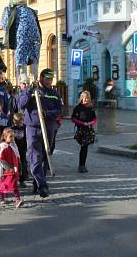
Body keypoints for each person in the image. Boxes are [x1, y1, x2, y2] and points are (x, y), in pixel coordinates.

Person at [18, 68, 63, 198]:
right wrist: (28, 91)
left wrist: (47, 114)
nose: (49, 81)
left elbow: (59, 110)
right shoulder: (32, 91)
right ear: (41, 78)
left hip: (48, 127)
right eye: (47, 79)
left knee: (45, 156)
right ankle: (43, 185)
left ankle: (37, 183)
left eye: (51, 79)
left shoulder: (54, 93)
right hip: (33, 127)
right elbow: (21, 104)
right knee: (35, 156)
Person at [0, 128, 23, 208]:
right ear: (5, 137)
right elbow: (1, 159)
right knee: (3, 185)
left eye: (13, 137)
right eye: (10, 137)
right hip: (6, 171)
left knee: (14, 185)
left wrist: (19, 167)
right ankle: (3, 197)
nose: (12, 138)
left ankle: (17, 199)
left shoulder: (13, 145)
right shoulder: (2, 147)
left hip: (13, 170)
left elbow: (17, 156)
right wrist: (8, 168)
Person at [71, 91, 97, 173]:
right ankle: (81, 165)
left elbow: (95, 119)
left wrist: (90, 123)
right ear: (81, 98)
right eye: (84, 98)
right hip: (80, 130)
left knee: (85, 147)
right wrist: (82, 123)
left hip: (88, 130)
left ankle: (82, 165)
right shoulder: (78, 108)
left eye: (87, 98)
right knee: (83, 146)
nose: (86, 100)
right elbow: (73, 118)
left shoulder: (91, 108)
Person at [10, 112, 28, 187]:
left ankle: (22, 179)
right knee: (13, 164)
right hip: (14, 149)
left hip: (22, 149)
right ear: (14, 121)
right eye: (18, 122)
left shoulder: (25, 127)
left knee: (22, 164)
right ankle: (12, 179)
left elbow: (26, 139)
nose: (20, 124)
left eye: (21, 122)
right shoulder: (12, 128)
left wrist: (27, 147)